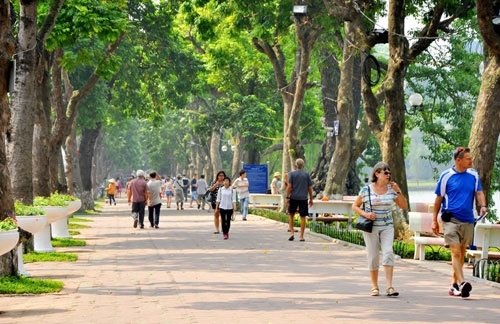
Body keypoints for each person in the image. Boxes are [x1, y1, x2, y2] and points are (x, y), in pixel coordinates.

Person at [432, 147, 487, 298]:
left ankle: (454, 285)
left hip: (468, 219)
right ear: (458, 160)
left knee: (461, 254)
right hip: (450, 219)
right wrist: (434, 220)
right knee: (455, 251)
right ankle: (463, 282)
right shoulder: (446, 176)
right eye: (468, 159)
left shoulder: (473, 175)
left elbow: (479, 192)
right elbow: (438, 200)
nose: (472, 161)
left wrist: (482, 206)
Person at [351, 162, 407, 297]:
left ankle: (389, 286)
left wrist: (398, 190)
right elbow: (355, 206)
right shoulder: (367, 190)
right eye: (385, 172)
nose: (388, 175)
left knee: (388, 252)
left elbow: (403, 206)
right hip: (371, 227)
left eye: (389, 173)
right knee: (373, 256)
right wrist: (365, 214)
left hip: (387, 226)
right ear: (376, 173)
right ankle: (374, 286)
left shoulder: (392, 189)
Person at [285, 158, 313, 242]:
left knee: (291, 215)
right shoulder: (306, 175)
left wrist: (287, 197)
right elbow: (310, 188)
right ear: (303, 166)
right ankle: (301, 236)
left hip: (293, 197)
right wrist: (311, 198)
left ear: (295, 165)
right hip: (303, 198)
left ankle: (292, 233)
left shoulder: (292, 174)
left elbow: (289, 186)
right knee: (303, 217)